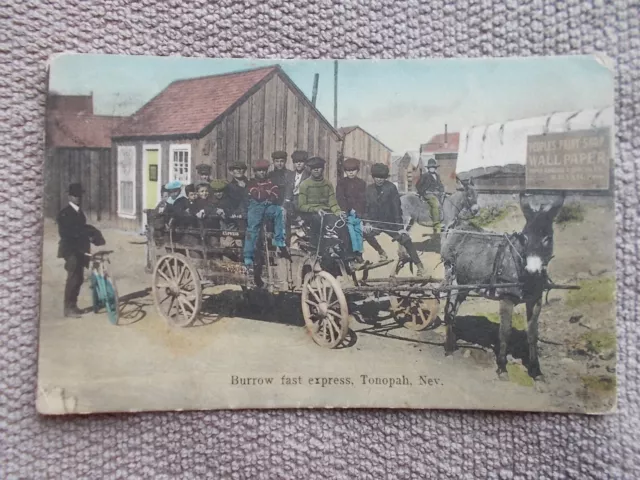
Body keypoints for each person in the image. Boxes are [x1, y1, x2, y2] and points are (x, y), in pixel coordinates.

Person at [364, 163, 426, 277]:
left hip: (391, 223)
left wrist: (401, 229)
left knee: (406, 240)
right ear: (373, 177)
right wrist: (367, 223)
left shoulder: (391, 188)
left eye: (382, 177)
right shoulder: (369, 190)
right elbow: (366, 208)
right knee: (364, 233)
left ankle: (420, 266)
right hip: (375, 223)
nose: (379, 180)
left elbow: (397, 208)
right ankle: (381, 252)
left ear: (385, 177)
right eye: (377, 177)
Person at [297, 156, 348, 254]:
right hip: (310, 213)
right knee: (317, 220)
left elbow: (333, 203)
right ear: (310, 169)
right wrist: (316, 210)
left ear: (323, 169)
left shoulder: (328, 184)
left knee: (342, 223)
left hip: (326, 213)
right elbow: (301, 205)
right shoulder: (305, 184)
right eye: (313, 167)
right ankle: (316, 251)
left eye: (319, 167)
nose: (316, 169)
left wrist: (338, 212)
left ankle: (347, 257)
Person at [243, 159, 288, 269]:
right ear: (255, 172)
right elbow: (256, 195)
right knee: (252, 230)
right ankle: (248, 256)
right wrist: (267, 194)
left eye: (264, 170)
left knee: (279, 211)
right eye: (259, 171)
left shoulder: (270, 182)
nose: (262, 173)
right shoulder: (251, 182)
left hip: (268, 206)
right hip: (256, 208)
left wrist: (269, 196)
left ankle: (279, 239)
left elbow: (275, 193)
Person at [56, 183, 93, 317]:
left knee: (79, 278)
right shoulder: (64, 213)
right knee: (73, 277)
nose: (78, 198)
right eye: (75, 196)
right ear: (70, 196)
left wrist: (92, 234)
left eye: (79, 196)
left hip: (81, 249)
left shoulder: (79, 212)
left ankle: (74, 305)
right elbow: (65, 233)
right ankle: (68, 308)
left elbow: (83, 227)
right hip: (70, 249)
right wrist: (81, 234)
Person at [336, 157, 366, 265]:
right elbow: (340, 198)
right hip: (347, 213)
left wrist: (359, 211)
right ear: (345, 172)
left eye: (353, 170)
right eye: (348, 171)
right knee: (351, 233)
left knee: (359, 233)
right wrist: (345, 210)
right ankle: (353, 254)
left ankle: (360, 254)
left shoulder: (361, 183)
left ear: (357, 171)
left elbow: (362, 199)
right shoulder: (341, 183)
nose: (351, 173)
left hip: (357, 213)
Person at [416, 157, 445, 233]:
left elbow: (440, 185)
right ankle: (436, 224)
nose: (432, 169)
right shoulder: (425, 175)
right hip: (428, 194)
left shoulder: (437, 176)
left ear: (435, 168)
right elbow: (418, 185)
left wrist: (443, 191)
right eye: (430, 167)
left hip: (437, 194)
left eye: (433, 167)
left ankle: (443, 219)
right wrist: (423, 193)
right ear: (428, 168)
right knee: (436, 204)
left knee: (445, 201)